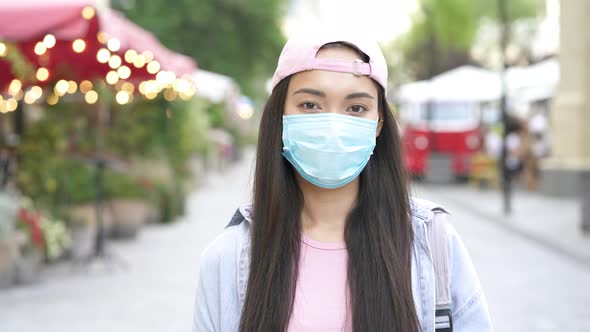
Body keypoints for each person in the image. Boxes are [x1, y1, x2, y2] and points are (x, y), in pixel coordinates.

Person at [193, 30, 493, 332]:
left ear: (378, 124)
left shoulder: (434, 247)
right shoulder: (227, 259)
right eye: (310, 105)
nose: (334, 125)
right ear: (279, 116)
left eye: (356, 108)